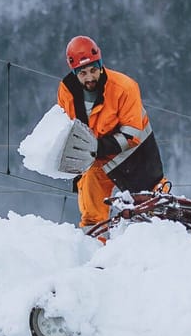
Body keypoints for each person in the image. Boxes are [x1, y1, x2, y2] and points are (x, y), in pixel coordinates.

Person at [56, 35, 165, 228]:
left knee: (154, 204)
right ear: (74, 72)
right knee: (92, 217)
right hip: (95, 161)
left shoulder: (124, 88)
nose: (89, 77)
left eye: (93, 70)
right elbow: (65, 125)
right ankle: (95, 247)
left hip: (134, 155)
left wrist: (97, 146)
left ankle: (170, 232)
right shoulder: (66, 91)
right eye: (83, 73)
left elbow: (132, 135)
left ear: (101, 64)